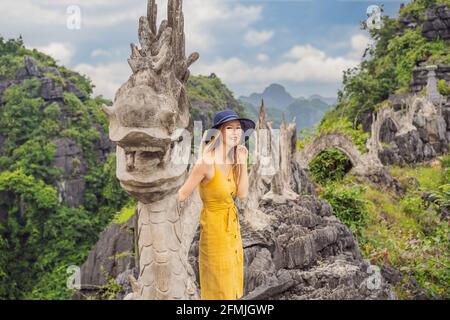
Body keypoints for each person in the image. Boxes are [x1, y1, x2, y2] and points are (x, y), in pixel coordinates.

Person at [177, 109, 255, 299]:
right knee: (219, 286)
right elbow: (181, 195)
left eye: (238, 128)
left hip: (233, 231)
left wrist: (243, 162)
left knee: (233, 285)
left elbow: (242, 194)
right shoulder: (206, 162)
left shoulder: (233, 160)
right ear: (219, 132)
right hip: (214, 233)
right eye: (230, 128)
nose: (236, 132)